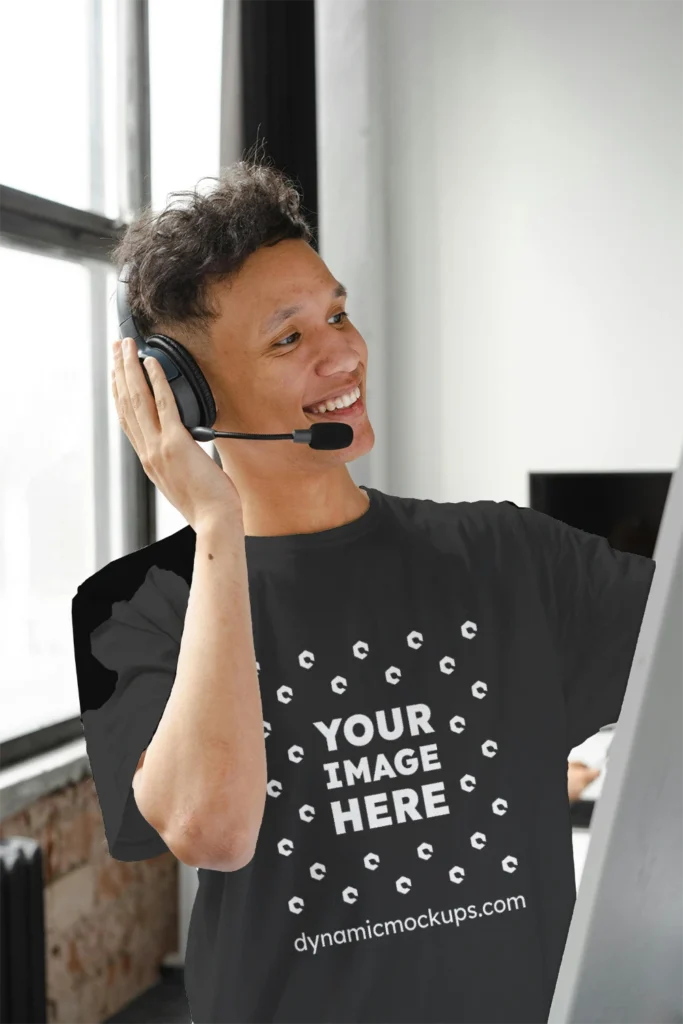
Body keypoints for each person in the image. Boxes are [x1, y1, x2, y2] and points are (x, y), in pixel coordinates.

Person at [71, 151, 656, 1024]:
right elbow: (214, 828)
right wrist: (217, 528)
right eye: (288, 337)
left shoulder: (505, 553)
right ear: (189, 398)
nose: (342, 351)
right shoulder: (134, 606)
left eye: (337, 312)